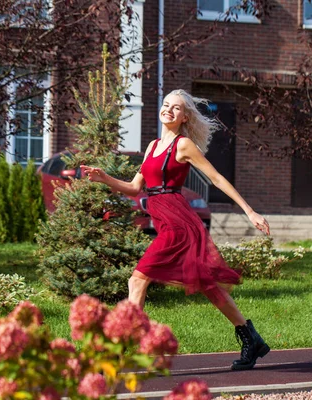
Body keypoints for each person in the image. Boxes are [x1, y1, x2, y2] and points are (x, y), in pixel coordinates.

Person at [81, 89, 270, 371]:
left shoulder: (183, 146)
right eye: (166, 105)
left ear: (184, 117)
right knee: (208, 285)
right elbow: (135, 188)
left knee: (137, 281)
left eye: (177, 108)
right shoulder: (153, 146)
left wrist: (249, 210)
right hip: (167, 222)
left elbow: (216, 179)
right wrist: (104, 178)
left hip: (180, 225)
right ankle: (251, 339)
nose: (169, 110)